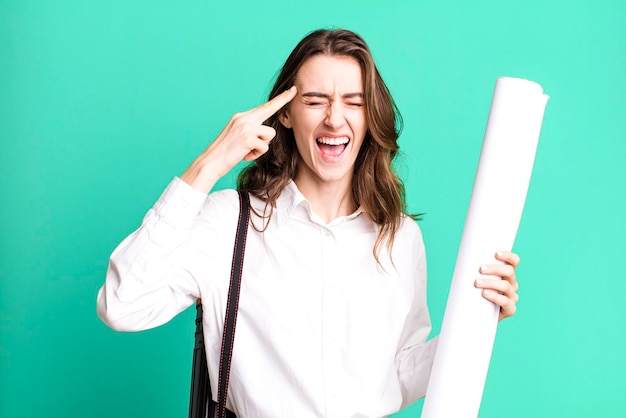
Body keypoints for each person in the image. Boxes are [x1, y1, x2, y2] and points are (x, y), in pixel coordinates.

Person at [97, 28, 520, 418]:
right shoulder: (230, 221)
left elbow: (399, 374)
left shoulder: (399, 237)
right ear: (284, 114)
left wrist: (478, 323)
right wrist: (210, 164)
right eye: (316, 100)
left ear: (370, 116)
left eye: (353, 102)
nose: (335, 119)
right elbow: (121, 305)